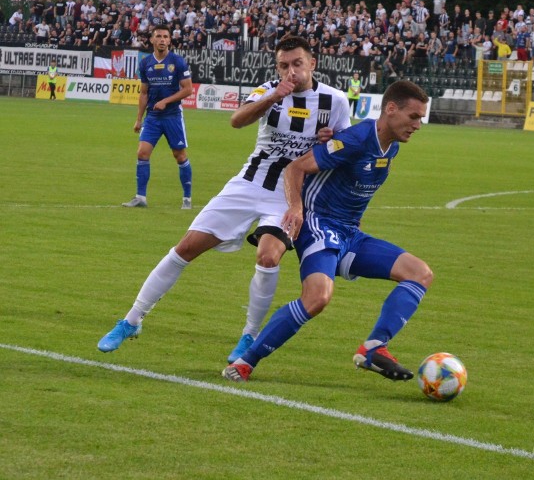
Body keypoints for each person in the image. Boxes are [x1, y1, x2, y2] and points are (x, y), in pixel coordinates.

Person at [98, 35, 351, 361]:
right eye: (283, 65)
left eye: (297, 64)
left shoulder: (336, 101)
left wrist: (332, 141)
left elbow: (345, 149)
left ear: (312, 64)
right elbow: (237, 120)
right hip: (248, 183)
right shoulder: (269, 89)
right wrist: (275, 95)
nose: (290, 71)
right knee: (186, 246)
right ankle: (131, 320)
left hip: (288, 195)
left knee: (268, 256)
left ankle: (249, 336)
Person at [222, 80, 433, 383]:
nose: (418, 125)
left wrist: (355, 224)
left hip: (349, 233)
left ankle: (374, 348)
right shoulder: (355, 139)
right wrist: (296, 208)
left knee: (420, 273)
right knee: (317, 297)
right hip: (319, 226)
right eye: (414, 117)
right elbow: (295, 168)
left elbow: (358, 190)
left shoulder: (392, 147)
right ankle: (245, 362)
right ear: (390, 109)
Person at [121, 24, 194, 210]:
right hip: (152, 117)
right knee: (142, 153)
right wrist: (138, 119)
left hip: (172, 116)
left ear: (170, 40)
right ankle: (140, 197)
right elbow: (144, 93)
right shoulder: (145, 63)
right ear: (152, 40)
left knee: (179, 155)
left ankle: (187, 199)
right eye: (158, 36)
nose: (162, 40)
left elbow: (187, 89)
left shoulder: (177, 62)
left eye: (165, 37)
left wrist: (166, 101)